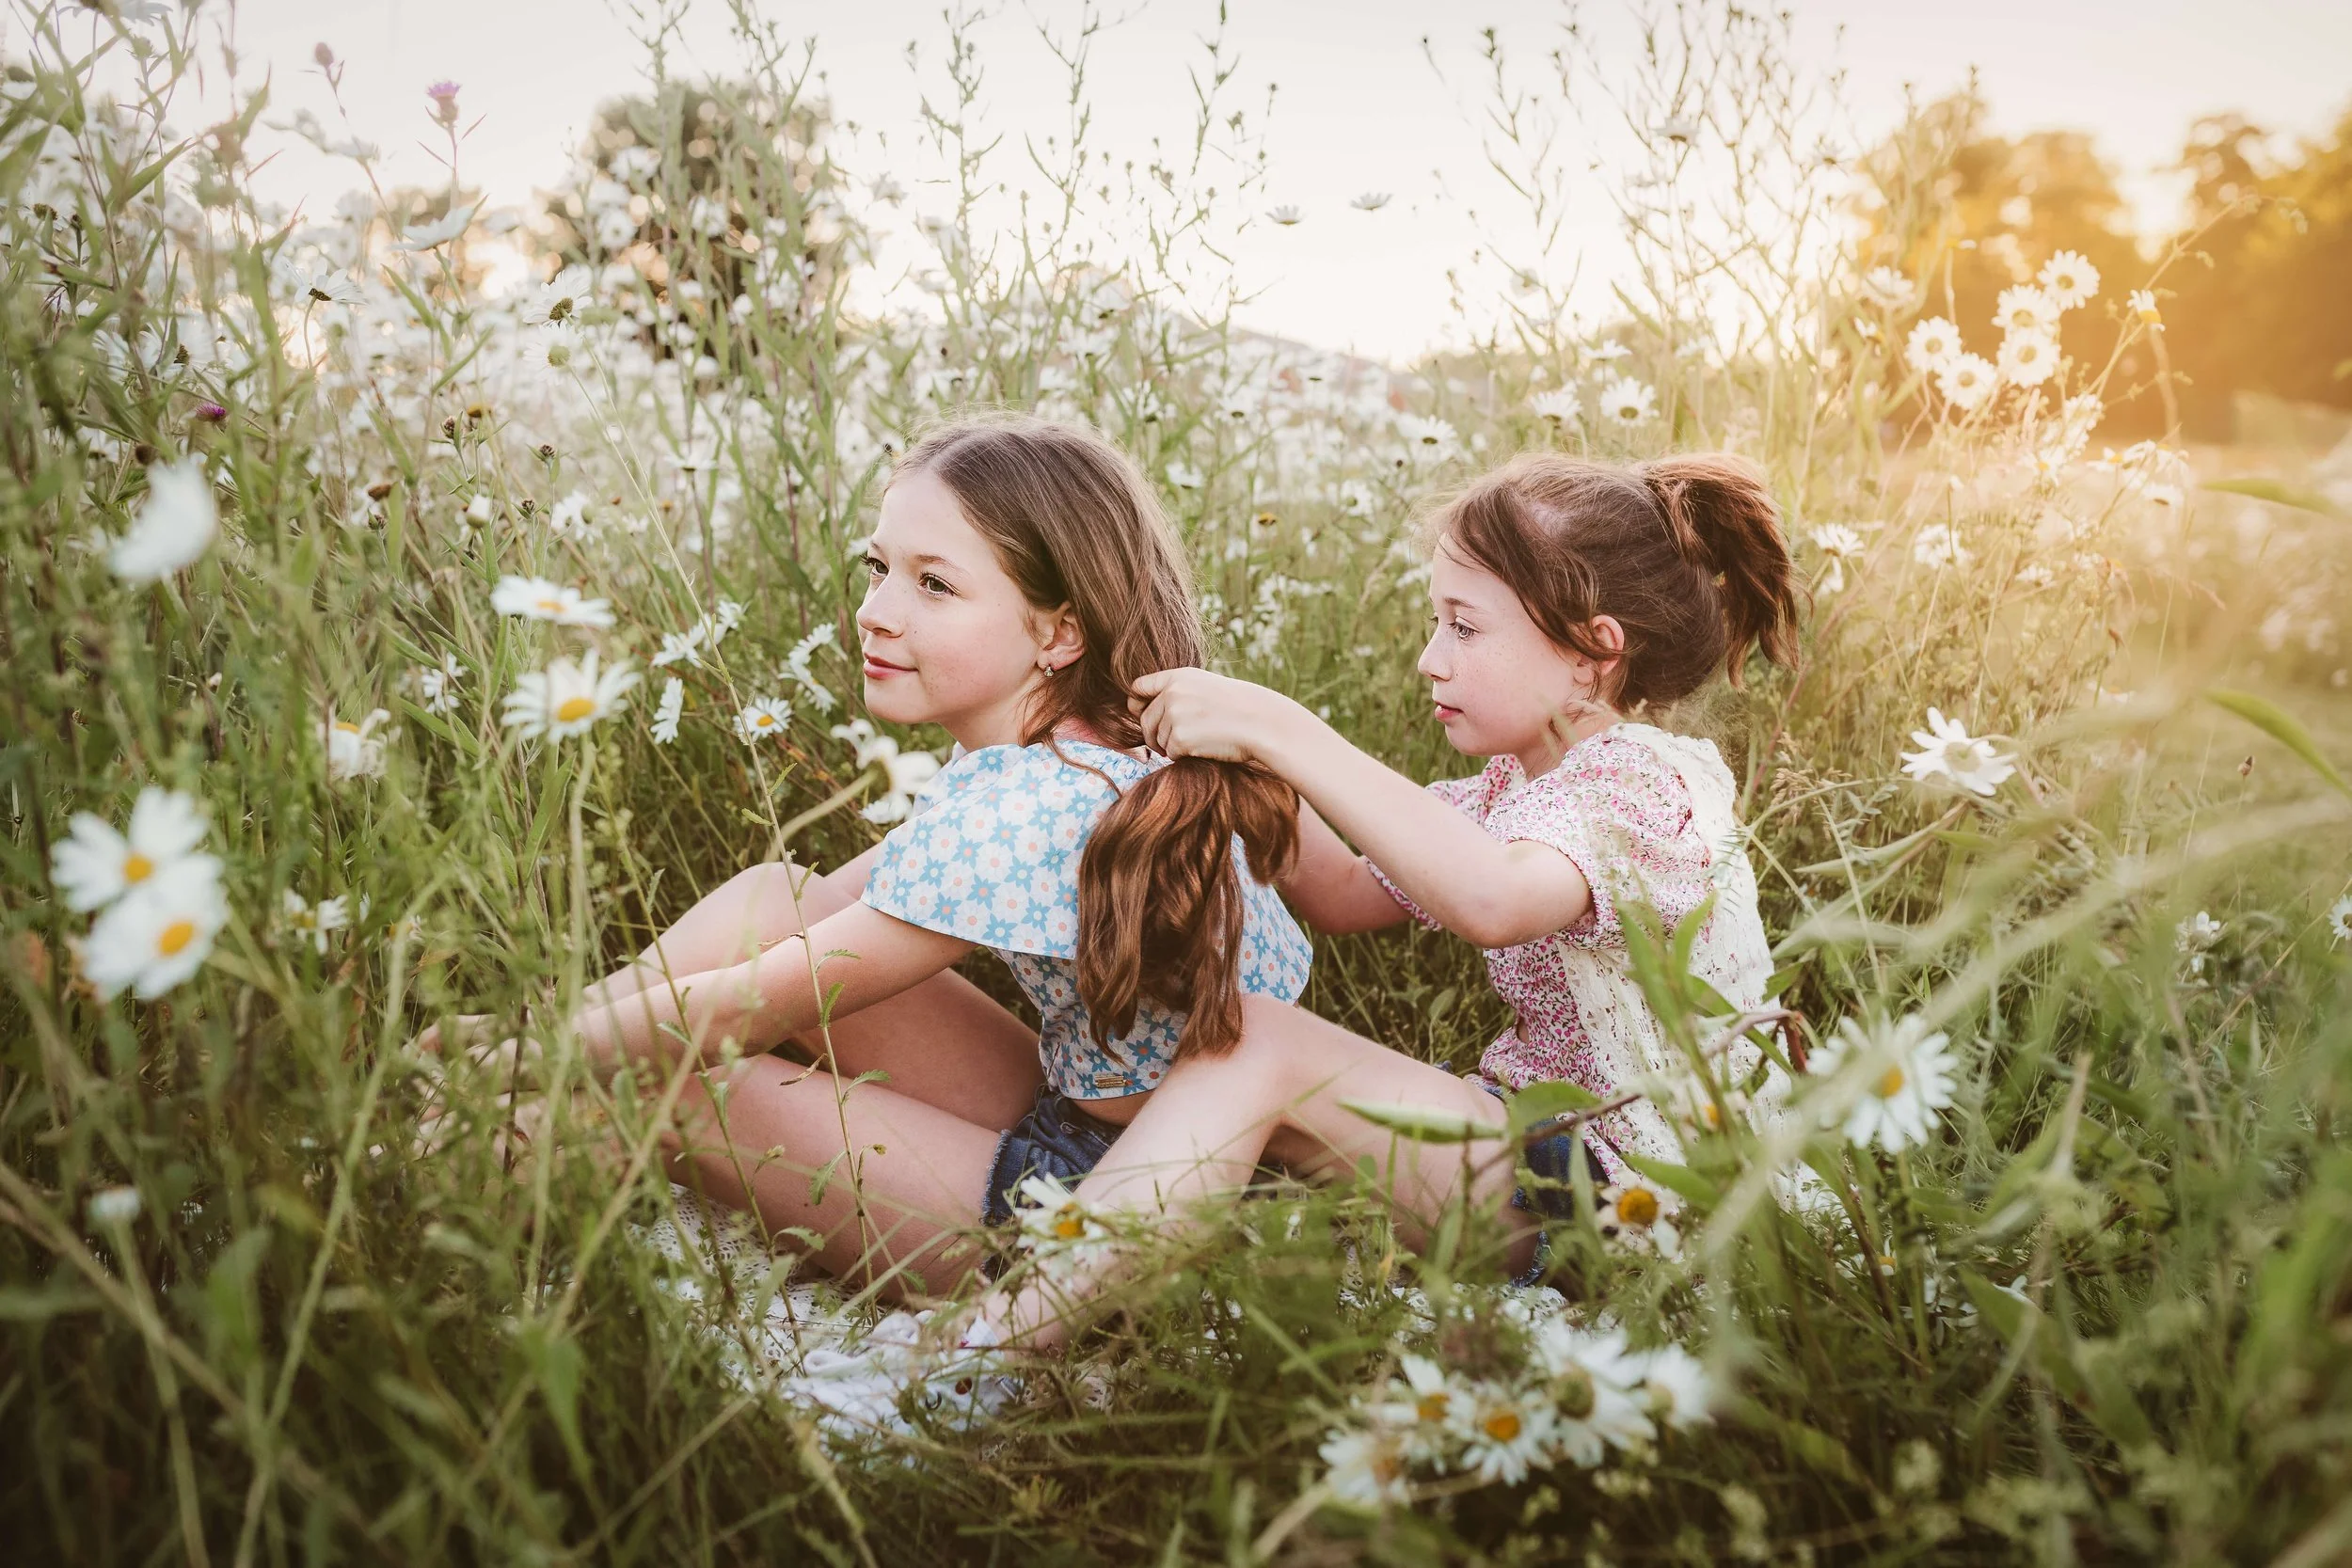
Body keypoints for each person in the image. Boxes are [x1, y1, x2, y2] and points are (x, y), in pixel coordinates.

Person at [431, 413, 1346, 1299]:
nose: (874, 612)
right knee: (772, 896)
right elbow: (808, 908)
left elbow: (757, 1002)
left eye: (933, 585)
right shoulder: (1083, 740)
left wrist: (529, 1054)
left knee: (688, 1087)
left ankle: (474, 1147)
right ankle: (492, 1106)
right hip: (1101, 1110)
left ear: (1058, 630)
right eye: (877, 568)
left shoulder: (1032, 809)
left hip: (1112, 1211)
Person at [977, 451, 1801, 1344]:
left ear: (1591, 654)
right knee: (1247, 1090)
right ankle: (1083, 1293)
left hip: (1649, 1189)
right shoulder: (1510, 791)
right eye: (1433, 622)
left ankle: (995, 1346)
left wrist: (1283, 726)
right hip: (1546, 1160)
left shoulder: (1648, 782)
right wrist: (1236, 764)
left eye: (1465, 628)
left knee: (1256, 1039)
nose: (1428, 657)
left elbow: (1492, 897)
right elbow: (1337, 888)